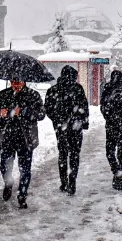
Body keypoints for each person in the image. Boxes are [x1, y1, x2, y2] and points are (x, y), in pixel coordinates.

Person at [0, 79, 45, 209]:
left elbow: (41, 114)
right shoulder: (4, 94)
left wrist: (24, 111)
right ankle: (8, 183)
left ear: (24, 81)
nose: (15, 85)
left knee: (25, 169)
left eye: (18, 82)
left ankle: (22, 195)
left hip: (26, 138)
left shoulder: (33, 95)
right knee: (4, 166)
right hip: (6, 137)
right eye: (13, 82)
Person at [45, 65, 89, 196]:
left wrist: (57, 120)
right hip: (76, 127)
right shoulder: (78, 89)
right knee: (74, 154)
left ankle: (64, 182)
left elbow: (47, 107)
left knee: (63, 154)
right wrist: (84, 122)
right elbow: (84, 107)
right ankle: (72, 180)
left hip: (61, 128)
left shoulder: (53, 90)